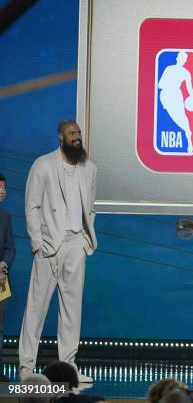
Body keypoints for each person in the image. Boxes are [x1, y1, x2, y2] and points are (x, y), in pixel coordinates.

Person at [19, 120, 97, 384]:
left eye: (78, 133)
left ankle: (68, 366)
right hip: (50, 244)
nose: (77, 137)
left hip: (77, 243)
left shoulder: (89, 168)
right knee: (36, 308)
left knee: (72, 308)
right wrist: (38, 243)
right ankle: (26, 367)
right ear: (60, 137)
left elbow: (91, 207)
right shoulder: (43, 165)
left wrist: (86, 241)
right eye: (71, 133)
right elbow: (32, 206)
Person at [0, 172, 16, 380]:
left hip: (1, 280)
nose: (2, 191)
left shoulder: (5, 217)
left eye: (3, 188)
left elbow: (10, 248)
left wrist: (3, 267)